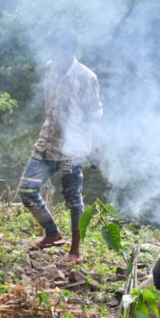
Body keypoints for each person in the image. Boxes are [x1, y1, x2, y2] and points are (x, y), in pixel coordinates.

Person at [18, 27, 102, 264]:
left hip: (73, 148)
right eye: (50, 49)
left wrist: (95, 149)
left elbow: (95, 116)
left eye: (56, 49)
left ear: (69, 50)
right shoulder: (49, 68)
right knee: (27, 189)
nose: (52, 54)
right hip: (47, 141)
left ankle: (75, 251)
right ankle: (52, 233)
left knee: (73, 198)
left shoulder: (86, 77)